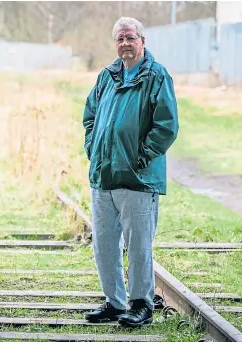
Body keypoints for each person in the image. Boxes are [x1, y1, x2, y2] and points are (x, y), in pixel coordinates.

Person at [82, 17, 179, 328]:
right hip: (104, 177)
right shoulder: (106, 77)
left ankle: (141, 304)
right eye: (120, 39)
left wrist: (141, 158)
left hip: (138, 179)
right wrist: (93, 149)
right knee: (105, 245)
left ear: (142, 41)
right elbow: (90, 117)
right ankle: (114, 302)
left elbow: (166, 126)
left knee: (139, 247)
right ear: (115, 43)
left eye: (130, 38)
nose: (125, 43)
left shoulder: (156, 76)